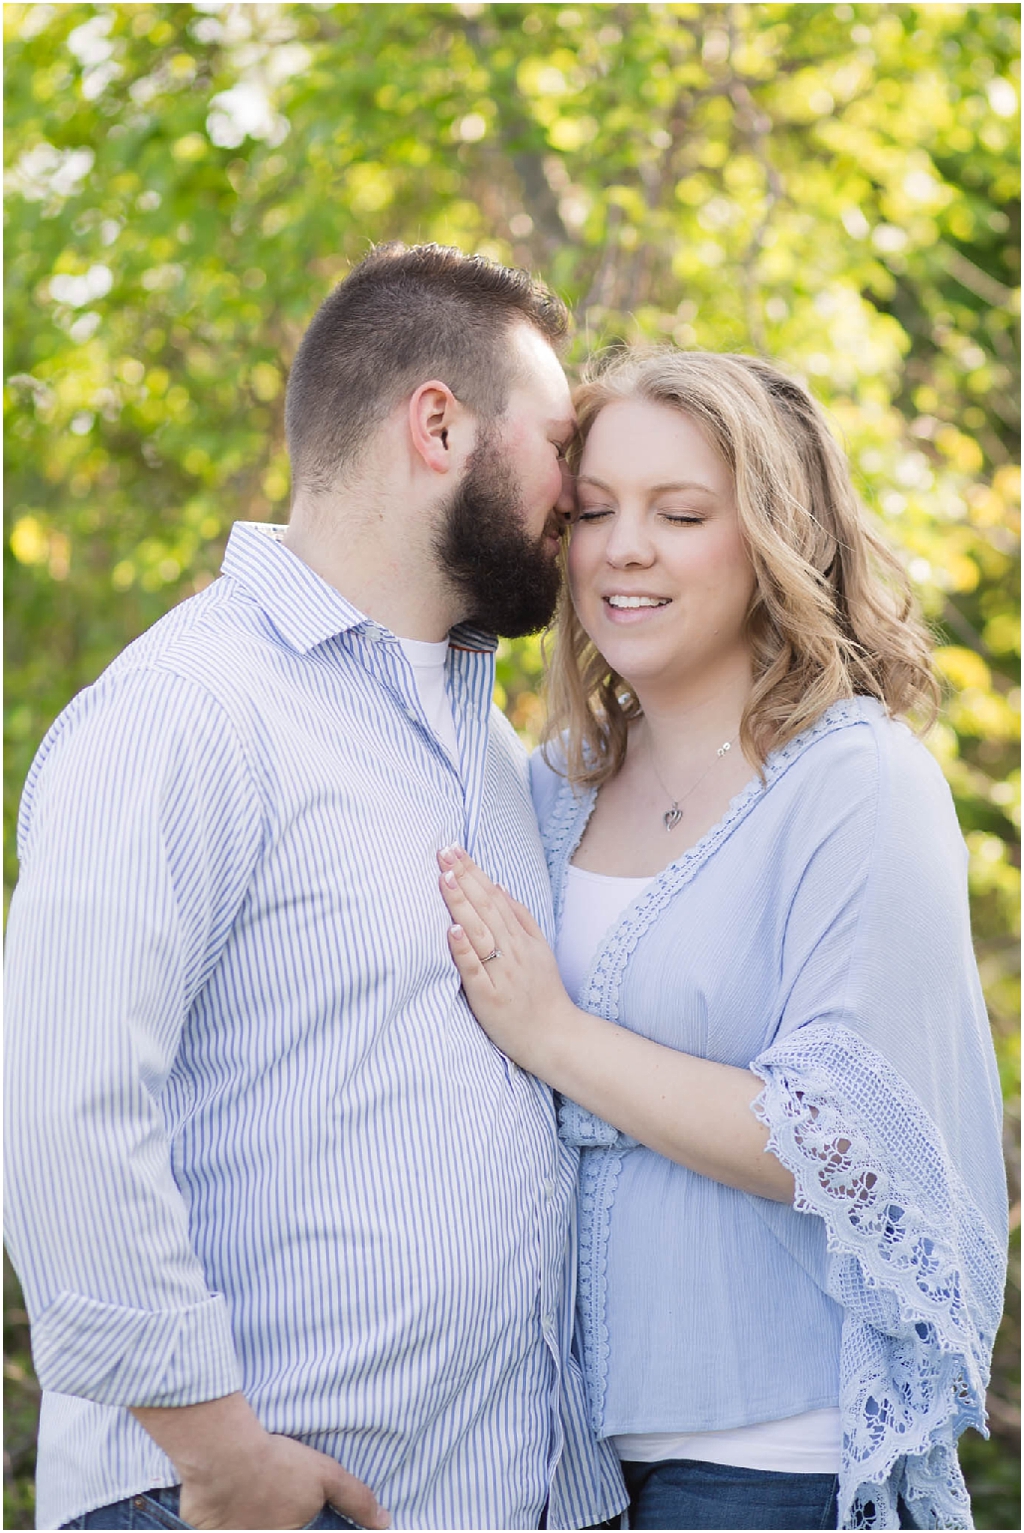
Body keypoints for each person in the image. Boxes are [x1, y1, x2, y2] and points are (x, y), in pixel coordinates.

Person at [4, 243, 626, 1532]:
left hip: (488, 1499)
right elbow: (61, 1111)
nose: (584, 497)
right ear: (440, 425)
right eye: (561, 444)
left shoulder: (490, 752)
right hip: (241, 1504)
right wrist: (220, 1454)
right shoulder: (186, 712)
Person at [435, 349, 1008, 1532]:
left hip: (770, 1463)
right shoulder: (543, 791)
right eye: (591, 512)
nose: (620, 548)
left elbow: (843, 1136)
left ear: (773, 539)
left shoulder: (856, 787)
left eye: (679, 513)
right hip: (550, 1464)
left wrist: (556, 1038)